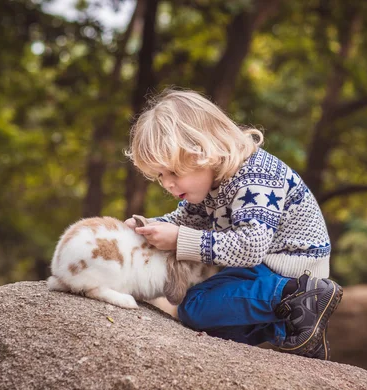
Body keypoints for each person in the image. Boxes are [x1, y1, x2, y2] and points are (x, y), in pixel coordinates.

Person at [124, 89, 342, 360]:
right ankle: (291, 327)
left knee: (194, 305)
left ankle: (297, 296)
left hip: (289, 269)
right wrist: (145, 227)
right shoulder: (210, 183)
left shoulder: (255, 178)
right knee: (213, 324)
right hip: (263, 270)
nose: (168, 183)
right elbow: (183, 220)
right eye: (160, 175)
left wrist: (180, 240)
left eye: (174, 172)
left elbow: (250, 247)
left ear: (204, 151)